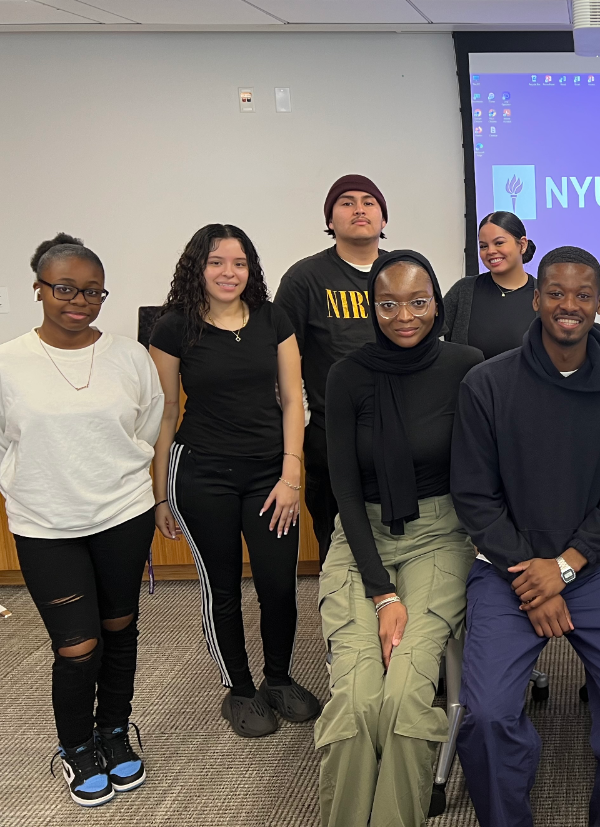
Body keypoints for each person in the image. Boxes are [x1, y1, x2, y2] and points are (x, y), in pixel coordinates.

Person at [451, 246, 600, 827]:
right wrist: (536, 578)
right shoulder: (486, 384)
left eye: (582, 294)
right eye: (556, 292)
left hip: (594, 568)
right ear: (535, 298)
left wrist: (565, 569)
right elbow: (474, 498)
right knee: (490, 714)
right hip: (508, 572)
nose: (568, 305)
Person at [314, 250, 482, 827]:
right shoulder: (348, 374)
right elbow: (341, 485)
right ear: (371, 306)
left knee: (406, 697)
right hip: (361, 536)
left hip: (440, 534)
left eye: (417, 301)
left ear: (436, 303)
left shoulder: (466, 364)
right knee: (357, 701)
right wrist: (382, 592)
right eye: (388, 303)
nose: (403, 315)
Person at [0, 234, 161, 807]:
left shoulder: (128, 355)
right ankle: (76, 746)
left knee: (120, 630)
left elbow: (145, 427)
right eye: (66, 288)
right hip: (46, 524)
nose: (80, 301)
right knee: (77, 647)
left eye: (93, 291)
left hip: (121, 514)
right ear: (39, 288)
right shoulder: (9, 361)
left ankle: (114, 731)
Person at [149, 224, 321, 738]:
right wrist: (159, 494)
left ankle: (279, 678)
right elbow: (165, 413)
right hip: (203, 474)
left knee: (278, 587)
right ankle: (241, 689)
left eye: (240, 262)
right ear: (197, 268)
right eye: (217, 262)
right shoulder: (173, 327)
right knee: (221, 588)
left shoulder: (274, 317)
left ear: (252, 268)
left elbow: (293, 398)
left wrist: (292, 471)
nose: (230, 272)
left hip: (271, 473)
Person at [276, 173, 388, 564]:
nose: (359, 209)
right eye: (347, 202)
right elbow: (285, 362)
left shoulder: (403, 272)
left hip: (398, 428)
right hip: (330, 433)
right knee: (336, 539)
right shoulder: (304, 278)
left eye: (368, 202)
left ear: (383, 220)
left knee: (400, 535)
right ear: (330, 220)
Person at [441, 210, 538, 359]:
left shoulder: (543, 295)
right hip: (469, 383)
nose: (490, 251)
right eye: (483, 246)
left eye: (499, 243)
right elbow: (428, 330)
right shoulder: (464, 290)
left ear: (522, 244)